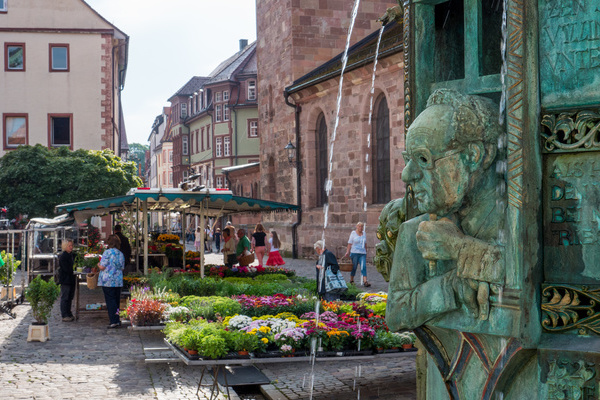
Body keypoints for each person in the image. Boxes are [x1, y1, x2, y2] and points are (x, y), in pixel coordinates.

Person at [386, 89, 504, 332]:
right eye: (408, 159)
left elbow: (536, 278)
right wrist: (451, 286)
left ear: (474, 156)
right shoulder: (415, 233)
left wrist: (461, 249)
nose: (407, 175)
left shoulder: (516, 220)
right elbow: (396, 314)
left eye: (423, 159)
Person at [98, 234, 125, 329]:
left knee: (110, 301)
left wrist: (98, 264)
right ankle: (117, 319)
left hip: (108, 280)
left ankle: (113, 321)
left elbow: (102, 266)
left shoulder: (107, 253)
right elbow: (122, 267)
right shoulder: (120, 254)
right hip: (117, 280)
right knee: (116, 300)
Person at [344, 222, 370, 287]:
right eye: (359, 226)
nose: (361, 228)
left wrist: (366, 251)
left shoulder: (364, 233)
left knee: (363, 266)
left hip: (362, 253)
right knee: (354, 267)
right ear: (357, 227)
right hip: (354, 252)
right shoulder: (353, 233)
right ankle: (351, 280)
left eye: (362, 226)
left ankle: (365, 281)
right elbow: (349, 243)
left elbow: (365, 243)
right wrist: (347, 252)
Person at [58, 239, 76, 322]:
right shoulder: (64, 256)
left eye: (71, 245)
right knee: (65, 297)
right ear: (65, 247)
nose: (71, 247)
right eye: (69, 246)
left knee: (70, 297)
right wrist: (73, 270)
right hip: (66, 280)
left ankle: (69, 313)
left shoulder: (71, 255)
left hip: (71, 279)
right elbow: (66, 269)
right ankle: (64, 314)